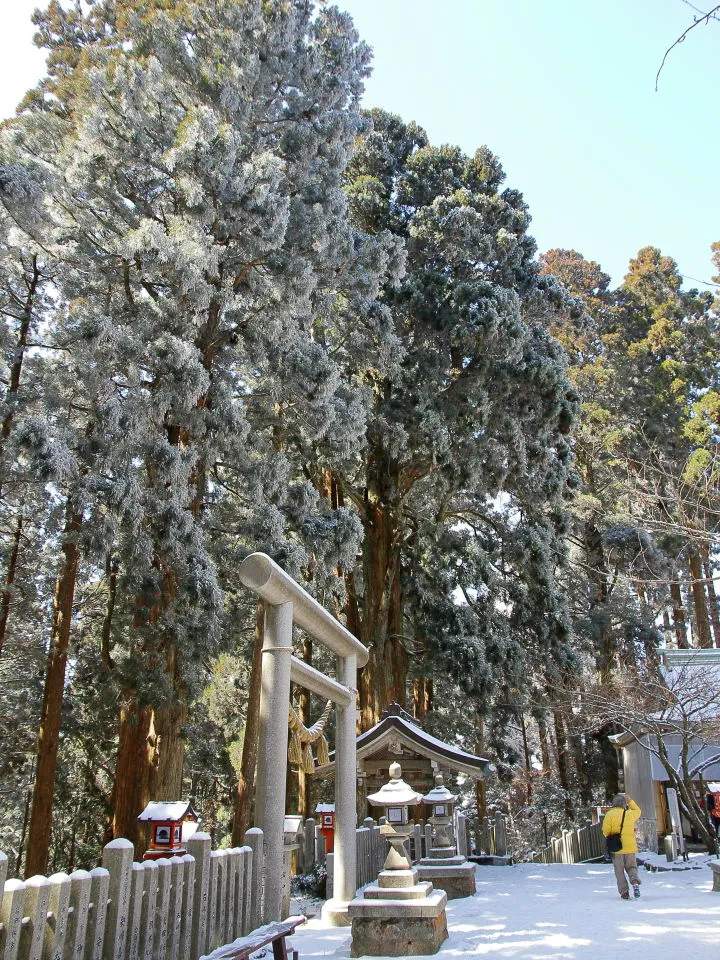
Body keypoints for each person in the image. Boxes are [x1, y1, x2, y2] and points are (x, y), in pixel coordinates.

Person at [602, 793, 642, 900]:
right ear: (624, 804)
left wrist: (612, 835)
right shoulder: (629, 814)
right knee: (632, 867)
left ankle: (624, 892)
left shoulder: (609, 815)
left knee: (619, 871)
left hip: (617, 848)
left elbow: (605, 831)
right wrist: (630, 801)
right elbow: (638, 811)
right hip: (630, 847)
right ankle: (634, 881)